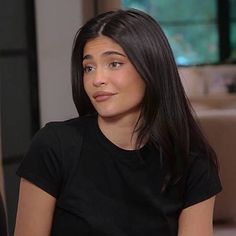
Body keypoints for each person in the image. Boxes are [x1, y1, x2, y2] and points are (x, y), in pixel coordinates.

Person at [14, 9, 222, 236]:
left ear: (150, 67)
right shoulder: (55, 146)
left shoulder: (192, 163)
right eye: (88, 68)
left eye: (114, 64)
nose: (97, 79)